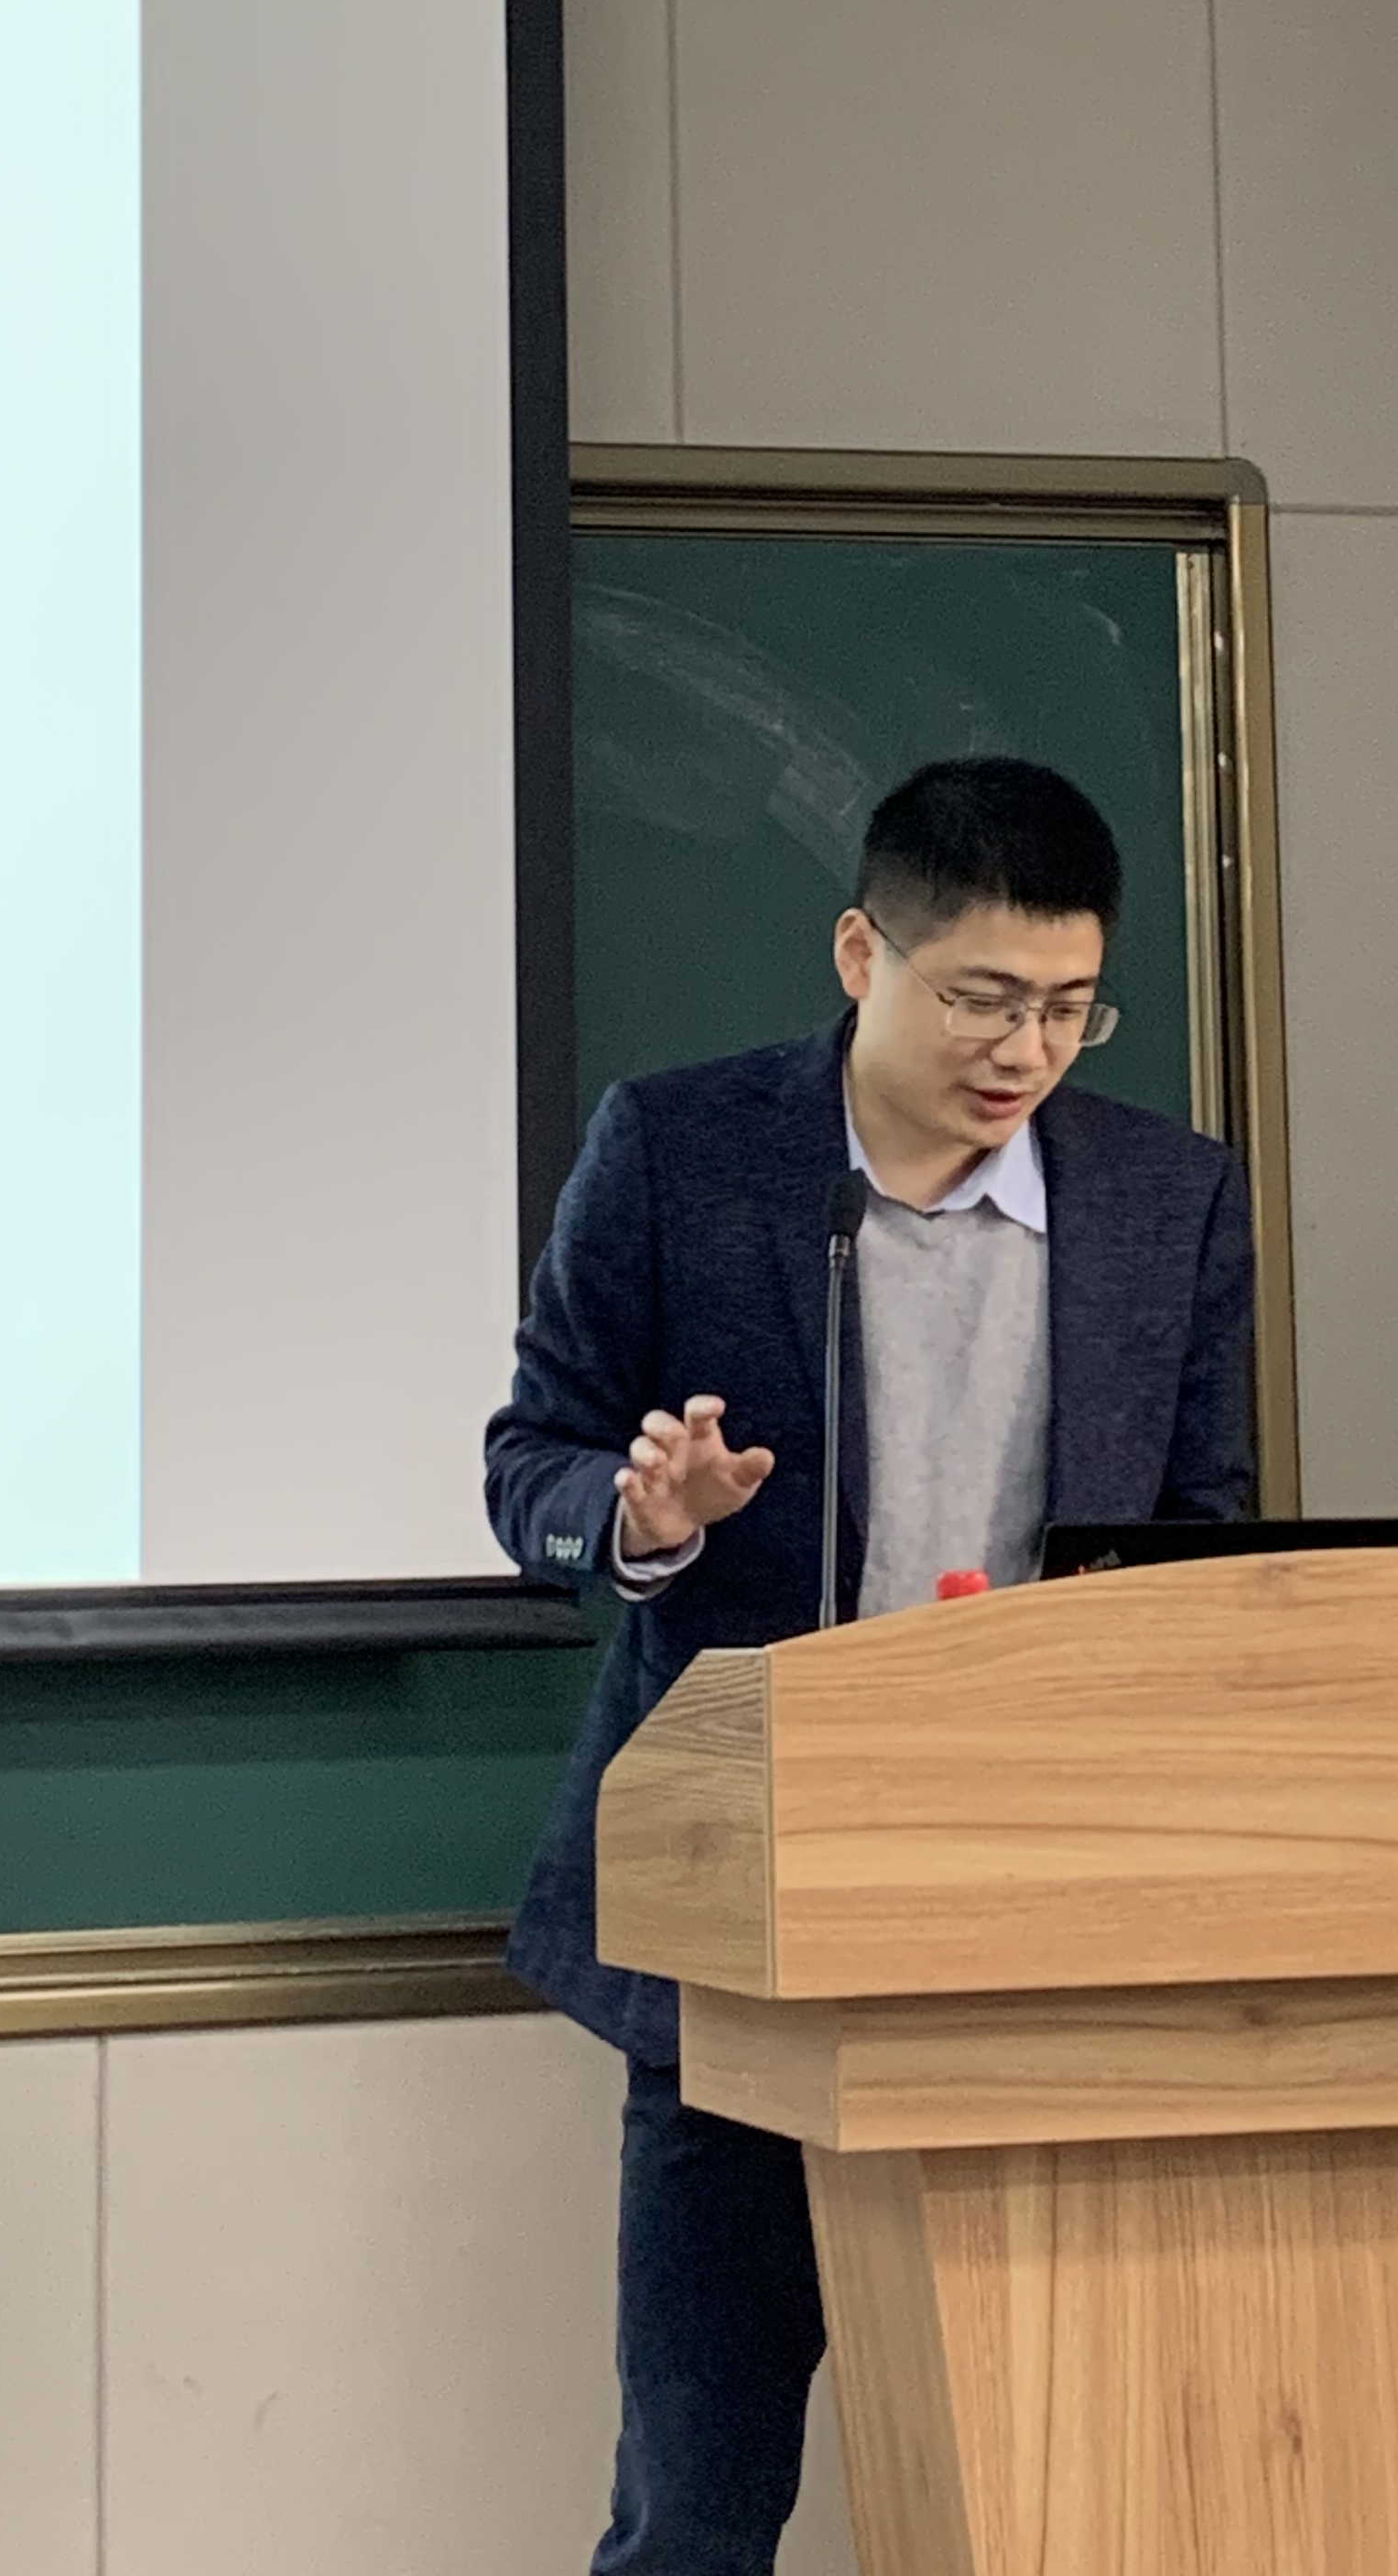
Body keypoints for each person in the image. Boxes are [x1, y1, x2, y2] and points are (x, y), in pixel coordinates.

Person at [484, 754, 1255, 2576]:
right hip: (746, 1918)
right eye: (981, 997)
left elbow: (1202, 1536)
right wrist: (648, 1515)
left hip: (1037, 1930)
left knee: (1047, 2496)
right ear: (862, 954)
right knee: (698, 2504)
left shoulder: (1166, 1199)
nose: (1024, 1050)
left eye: (1068, 1007)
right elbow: (535, 1461)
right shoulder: (682, 1152)